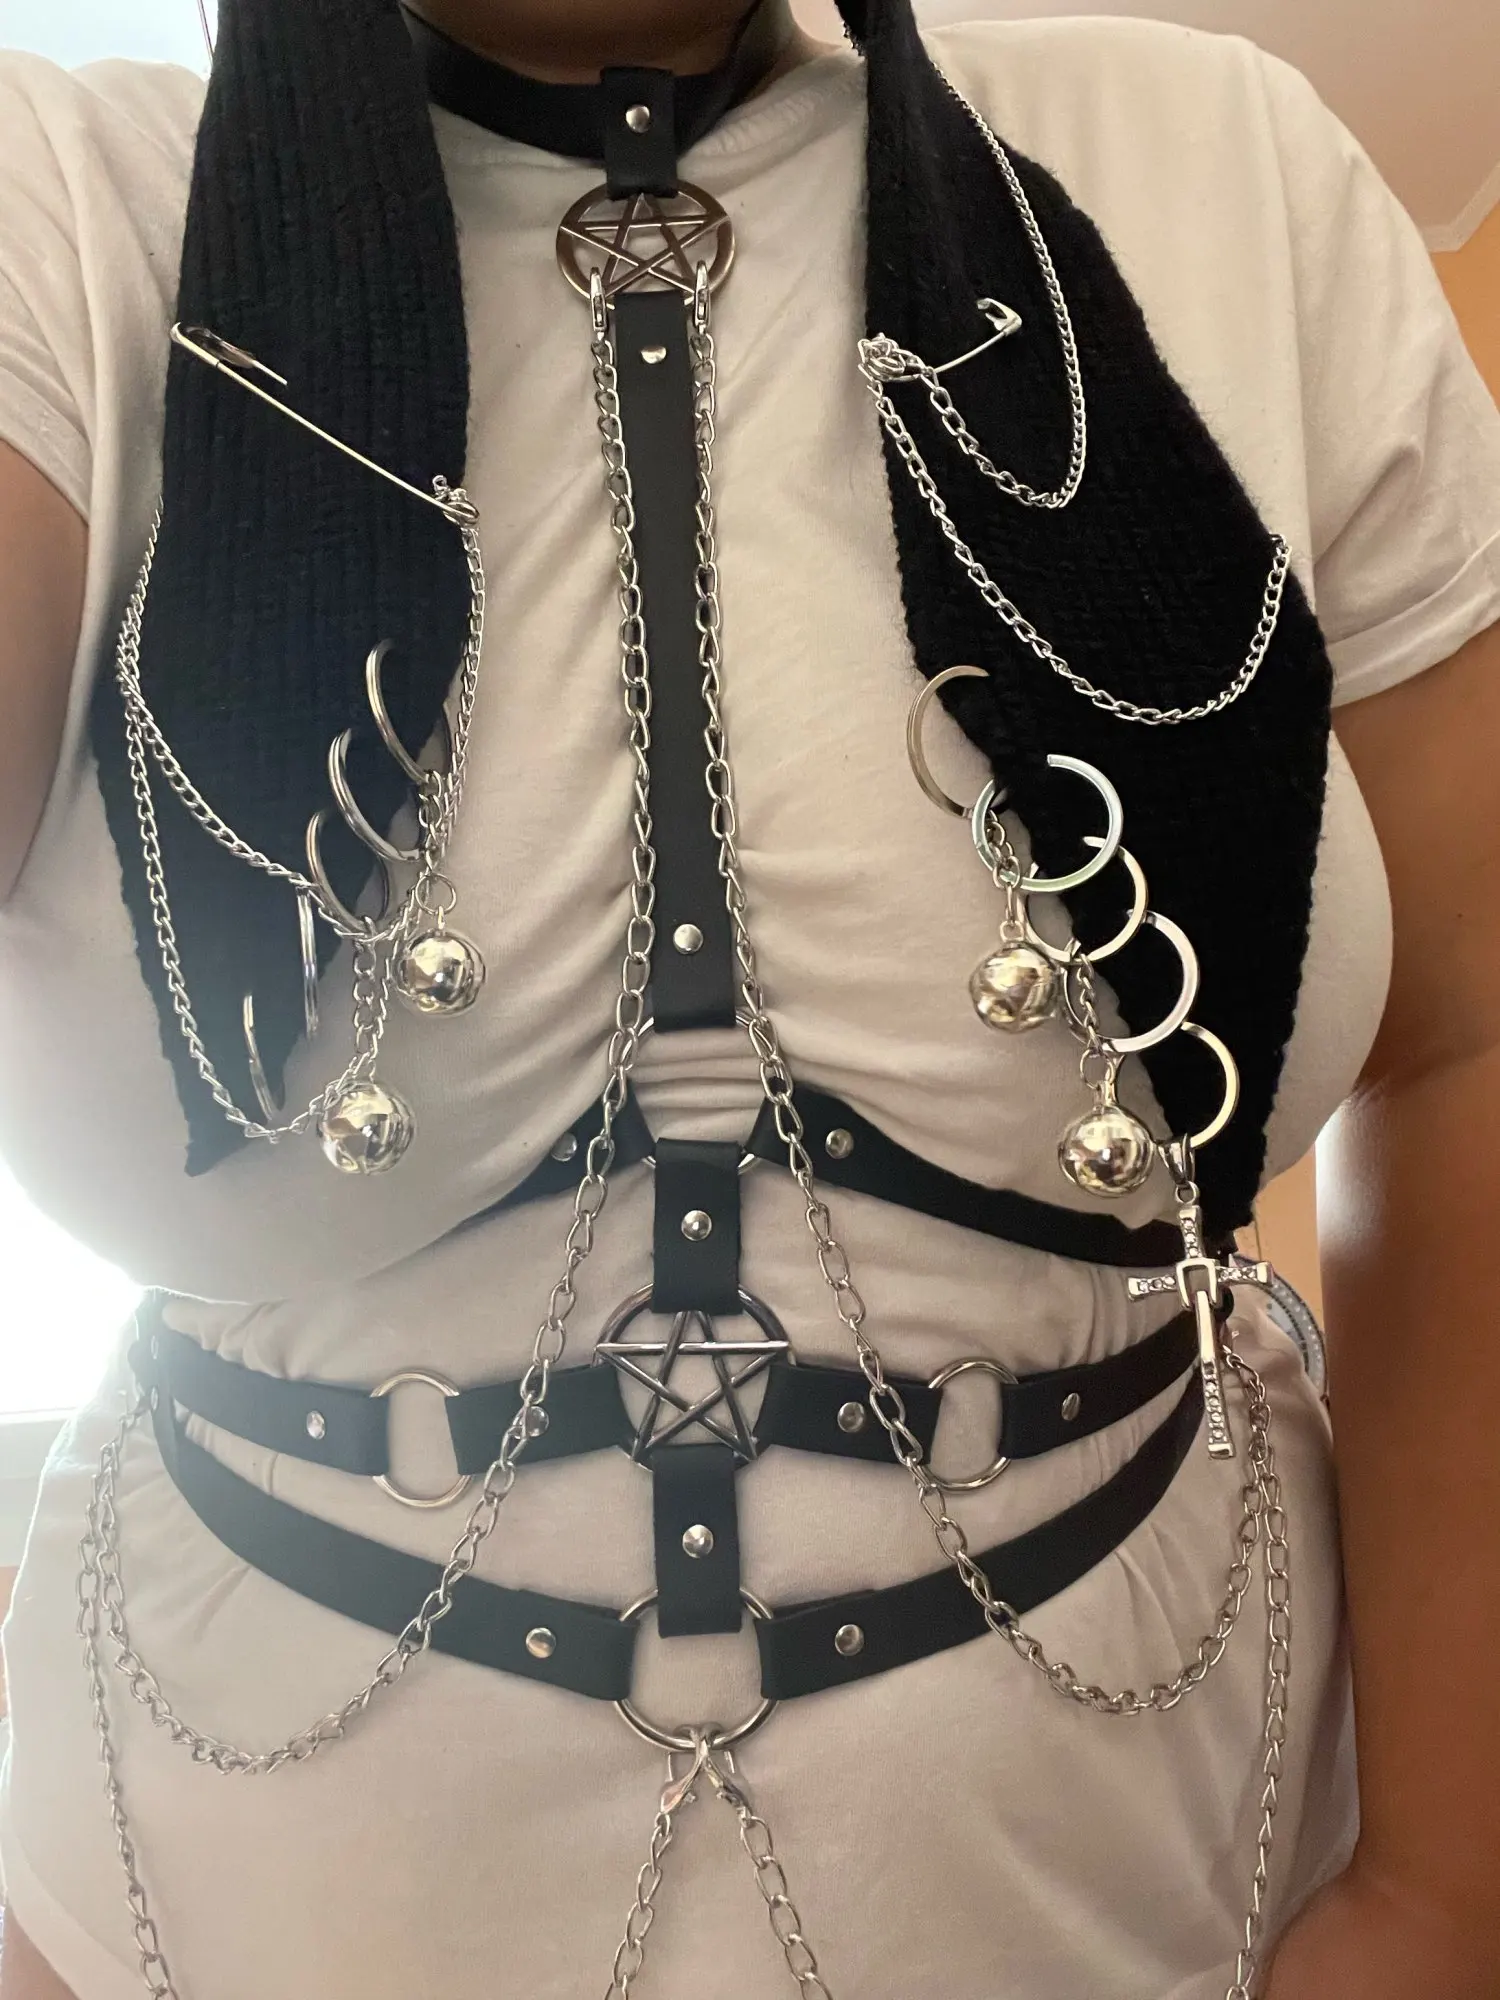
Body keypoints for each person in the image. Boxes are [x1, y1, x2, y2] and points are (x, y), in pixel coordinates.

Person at [1, 0, 1498, 1994]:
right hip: (213, 1913)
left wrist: (1448, 1894)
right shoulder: (56, 210)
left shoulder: (1226, 166)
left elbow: (1471, 1028)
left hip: (1191, 1878)